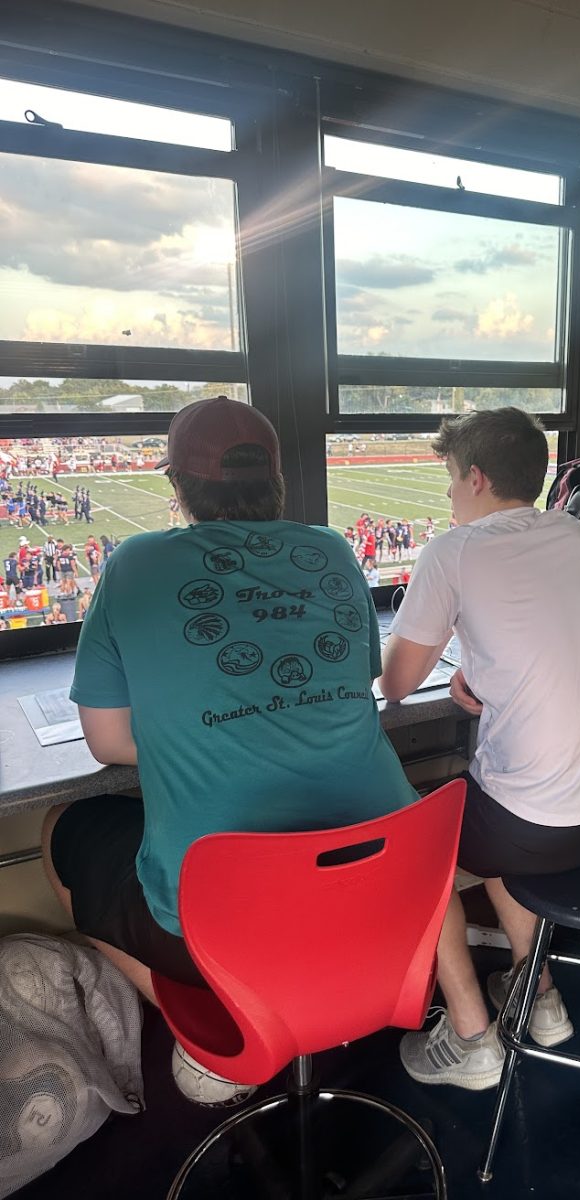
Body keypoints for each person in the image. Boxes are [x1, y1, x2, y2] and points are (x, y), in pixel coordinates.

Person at [41, 396, 417, 1097]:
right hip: (385, 898)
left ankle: (225, 1031)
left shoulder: (134, 562)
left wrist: (200, 730)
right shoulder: (333, 547)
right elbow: (349, 680)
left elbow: (107, 742)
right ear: (275, 479)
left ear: (180, 488)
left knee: (63, 828)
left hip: (231, 923)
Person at [380, 407, 580, 1091]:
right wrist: (480, 667)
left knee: (425, 833)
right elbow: (552, 627)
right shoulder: (573, 534)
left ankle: (472, 1034)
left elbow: (399, 685)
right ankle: (541, 996)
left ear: (475, 477)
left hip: (536, 829)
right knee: (492, 809)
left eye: (448, 480)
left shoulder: (452, 551)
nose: (446, 496)